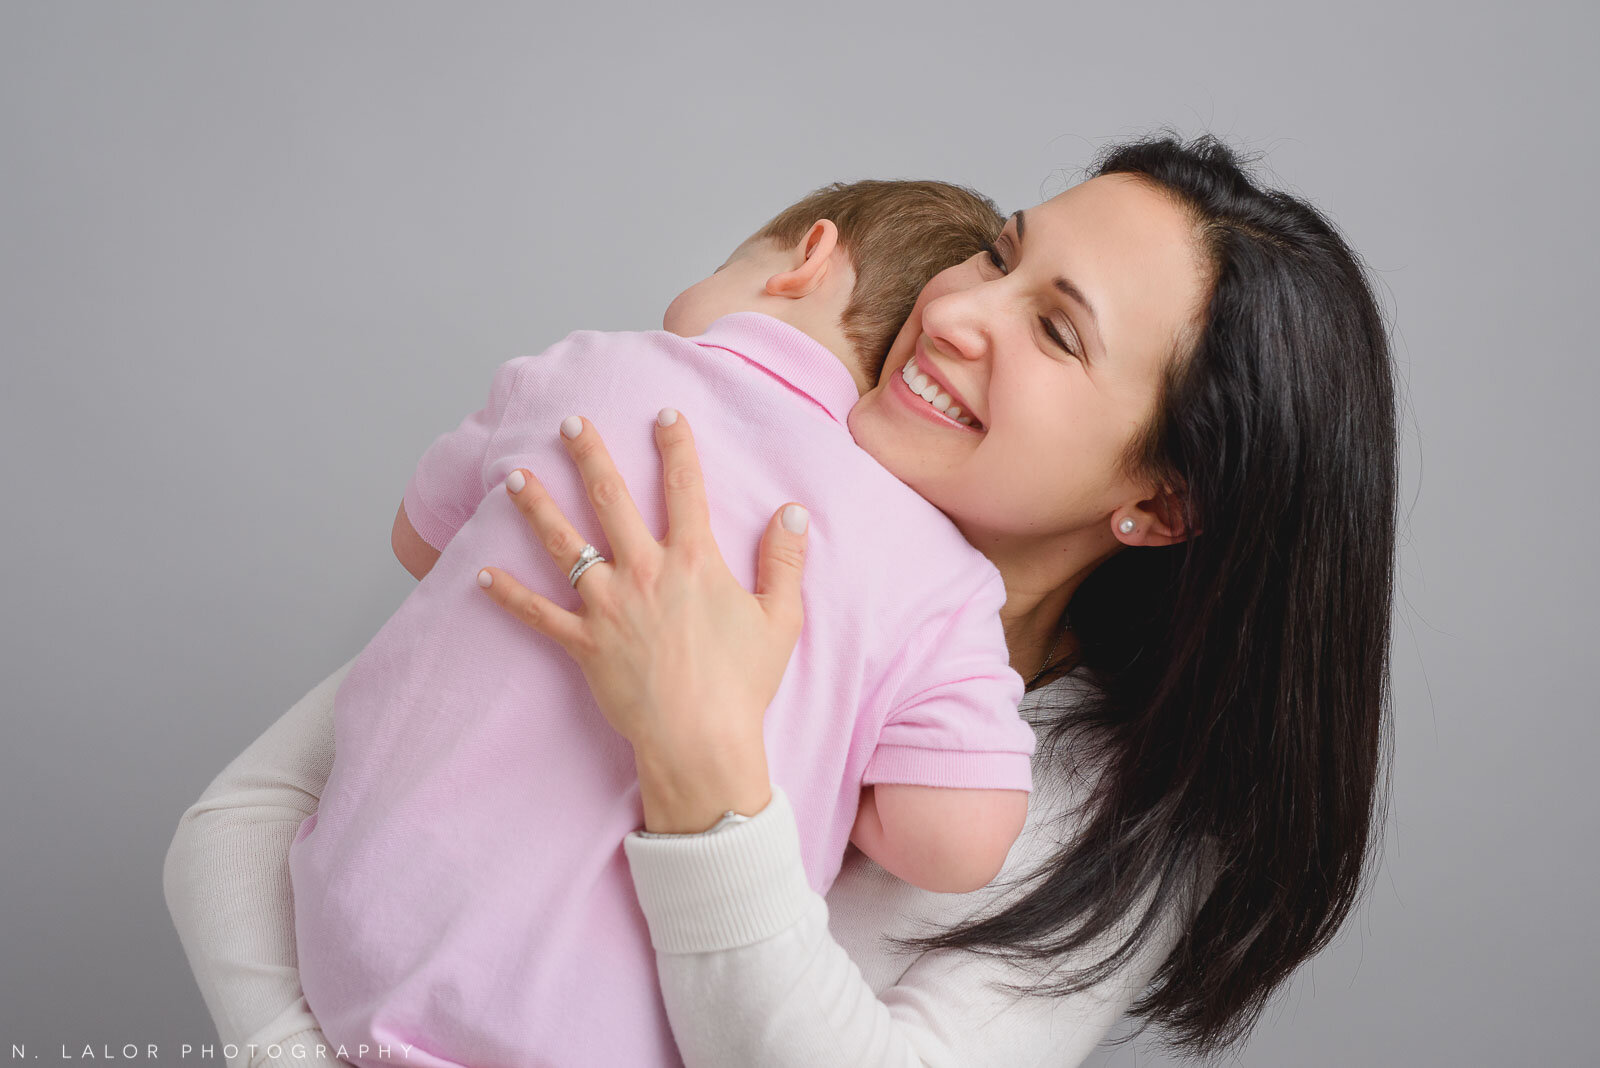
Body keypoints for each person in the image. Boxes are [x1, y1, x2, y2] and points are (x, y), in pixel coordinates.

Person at [164, 131, 1397, 1067]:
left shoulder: (1106, 827)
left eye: (1057, 333)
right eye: (1000, 254)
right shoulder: (705, 496)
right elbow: (242, 822)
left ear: (1162, 501)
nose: (957, 310)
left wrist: (703, 766)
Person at [284, 179, 1053, 1067]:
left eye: (726, 262)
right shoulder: (937, 574)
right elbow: (957, 846)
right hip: (587, 1038)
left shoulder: (584, 371)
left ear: (806, 261)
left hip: (342, 945)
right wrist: (832, 755)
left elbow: (420, 543)